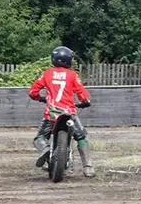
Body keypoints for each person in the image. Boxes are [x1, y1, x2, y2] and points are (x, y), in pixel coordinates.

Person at [28, 46, 95, 177]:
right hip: (69, 112)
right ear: (69, 60)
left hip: (51, 113)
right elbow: (83, 94)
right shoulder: (72, 75)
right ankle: (88, 167)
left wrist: (40, 98)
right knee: (81, 137)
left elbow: (32, 92)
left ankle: (46, 148)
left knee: (39, 137)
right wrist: (85, 102)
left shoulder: (47, 73)